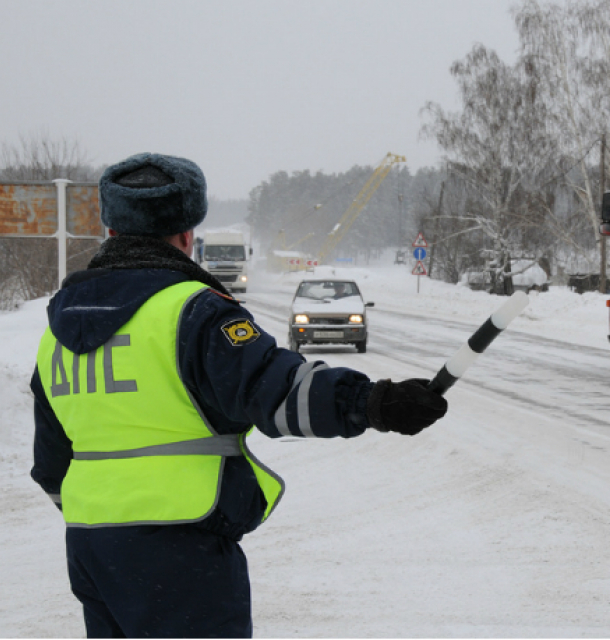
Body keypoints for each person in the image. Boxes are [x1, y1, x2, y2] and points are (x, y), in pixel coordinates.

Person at [30, 152, 448, 638]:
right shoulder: (193, 312)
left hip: (91, 550)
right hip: (182, 543)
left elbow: (50, 463)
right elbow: (277, 392)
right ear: (186, 236)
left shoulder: (55, 333)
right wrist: (375, 402)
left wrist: (101, 515)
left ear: (111, 233)